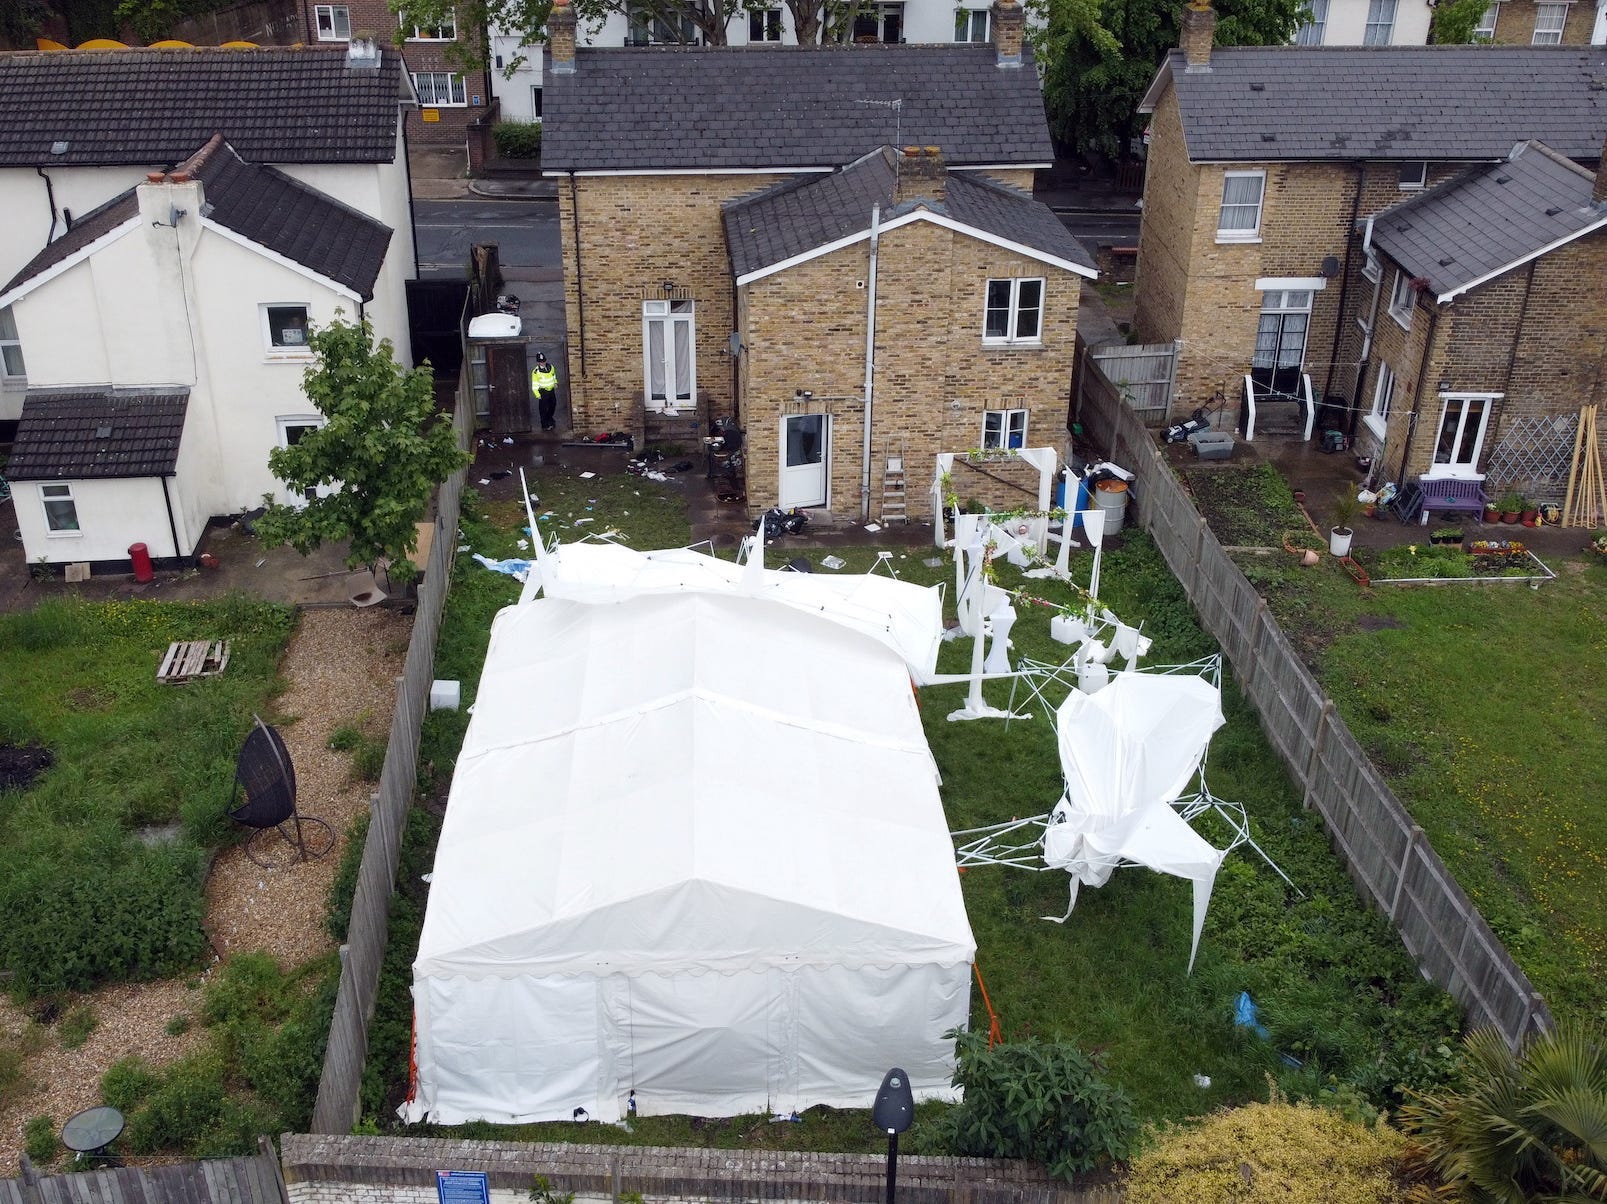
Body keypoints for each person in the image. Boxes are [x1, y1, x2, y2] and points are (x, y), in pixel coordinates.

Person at [531, 352, 559, 431]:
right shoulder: (536, 372)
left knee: (552, 405)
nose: (543, 363)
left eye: (543, 361)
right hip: (543, 391)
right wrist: (538, 395)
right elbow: (535, 384)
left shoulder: (551, 367)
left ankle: (549, 419)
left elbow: (553, 376)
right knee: (543, 409)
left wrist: (555, 382)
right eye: (541, 362)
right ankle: (545, 425)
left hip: (551, 390)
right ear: (538, 362)